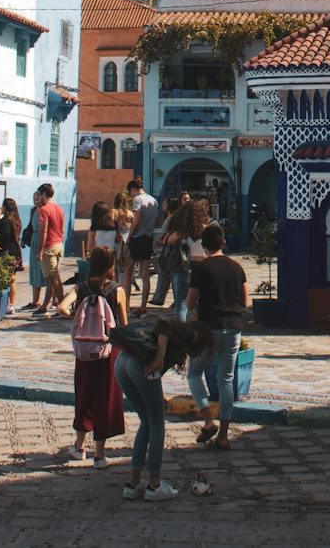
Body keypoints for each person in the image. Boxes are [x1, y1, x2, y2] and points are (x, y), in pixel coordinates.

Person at [116, 317, 214, 502]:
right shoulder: (191, 336)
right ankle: (154, 484)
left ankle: (133, 483)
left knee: (146, 421)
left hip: (122, 363)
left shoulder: (180, 340)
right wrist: (160, 357)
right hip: (142, 366)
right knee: (157, 424)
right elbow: (164, 325)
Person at [186, 222, 251, 449]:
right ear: (224, 242)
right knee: (226, 380)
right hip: (233, 328)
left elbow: (190, 302)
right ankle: (223, 435)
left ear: (203, 245)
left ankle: (207, 419)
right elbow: (246, 301)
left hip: (208, 329)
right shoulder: (236, 268)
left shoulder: (202, 268)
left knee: (194, 373)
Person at [69, 246, 126, 466]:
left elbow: (64, 307)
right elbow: (123, 325)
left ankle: (79, 446)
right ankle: (100, 454)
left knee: (84, 394)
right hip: (109, 351)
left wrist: (79, 322)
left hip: (84, 351)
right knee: (104, 398)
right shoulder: (116, 290)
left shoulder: (81, 288)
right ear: (111, 265)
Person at [160, 200, 205, 322]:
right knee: (200, 304)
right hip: (202, 267)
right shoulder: (204, 229)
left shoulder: (181, 232)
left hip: (182, 267)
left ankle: (182, 330)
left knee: (181, 303)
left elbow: (165, 242)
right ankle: (198, 329)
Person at [128, 178, 160, 313]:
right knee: (145, 275)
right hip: (148, 237)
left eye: (130, 192)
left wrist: (129, 235)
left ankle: (126, 305)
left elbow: (137, 219)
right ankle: (143, 306)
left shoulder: (137, 200)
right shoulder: (154, 201)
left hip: (137, 238)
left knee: (128, 271)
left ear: (133, 189)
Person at [35, 183, 67, 317]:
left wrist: (40, 250)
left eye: (39, 194)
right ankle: (45, 305)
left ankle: (62, 307)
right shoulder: (59, 209)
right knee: (50, 279)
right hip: (59, 245)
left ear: (44, 194)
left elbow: (43, 231)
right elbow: (63, 229)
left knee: (55, 279)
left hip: (49, 247)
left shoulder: (44, 210)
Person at [0, 197, 25, 310]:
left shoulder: (5, 221)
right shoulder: (17, 220)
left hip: (6, 251)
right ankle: (11, 304)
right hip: (15, 250)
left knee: (6, 278)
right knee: (12, 278)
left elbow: (4, 237)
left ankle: (8, 303)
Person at [22, 189, 46, 311]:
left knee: (45, 272)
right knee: (34, 272)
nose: (36, 200)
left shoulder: (45, 211)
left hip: (42, 240)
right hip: (34, 239)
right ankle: (35, 300)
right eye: (34, 198)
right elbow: (30, 226)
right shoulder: (33, 210)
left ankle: (50, 300)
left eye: (38, 198)